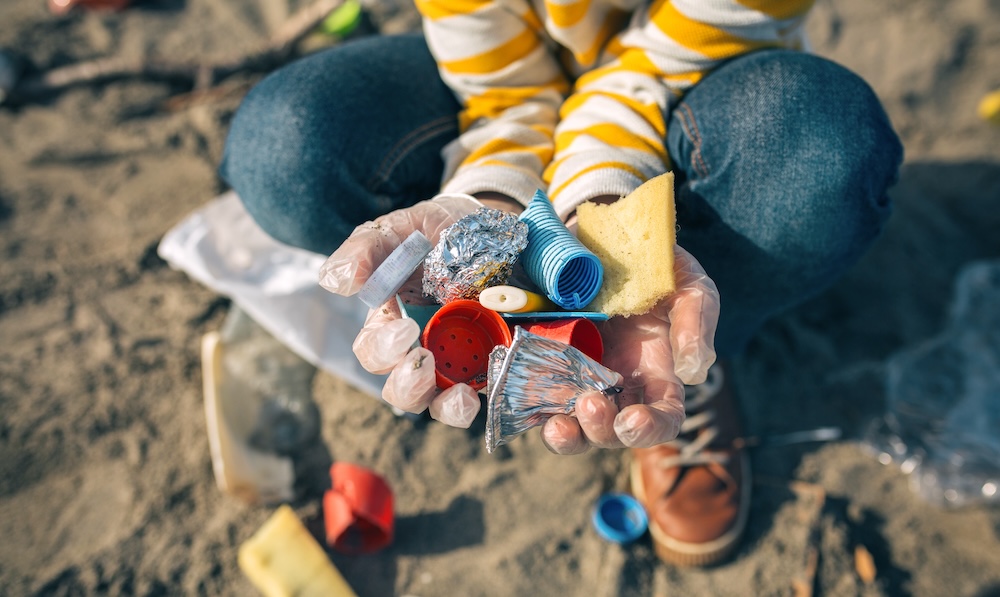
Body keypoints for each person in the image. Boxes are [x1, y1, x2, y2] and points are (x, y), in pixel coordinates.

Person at [218, 0, 903, 567]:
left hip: (702, 74)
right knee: (283, 149)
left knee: (826, 154)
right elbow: (504, 92)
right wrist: (489, 199)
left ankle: (698, 348)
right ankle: (499, 310)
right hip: (518, 77)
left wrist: (604, 213)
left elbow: (650, 68)